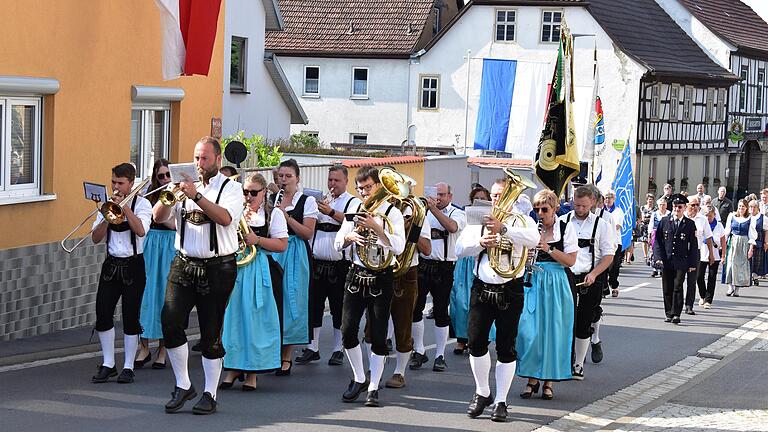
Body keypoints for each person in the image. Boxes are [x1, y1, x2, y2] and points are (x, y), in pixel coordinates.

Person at [154, 136, 243, 415]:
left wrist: (196, 196)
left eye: (204, 158)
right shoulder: (182, 186)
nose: (199, 164)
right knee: (169, 322)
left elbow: (225, 218)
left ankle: (210, 393)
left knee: (210, 333)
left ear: (218, 160)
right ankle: (183, 385)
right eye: (196, 158)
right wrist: (168, 195)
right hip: (183, 263)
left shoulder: (232, 188)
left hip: (218, 267)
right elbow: (158, 218)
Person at [456, 177, 540, 422]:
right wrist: (479, 242)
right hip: (482, 287)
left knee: (506, 346)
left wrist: (503, 229)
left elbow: (533, 240)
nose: (496, 199)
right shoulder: (479, 216)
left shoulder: (523, 220)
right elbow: (460, 249)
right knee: (476, 342)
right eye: (493, 195)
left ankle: (501, 400)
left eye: (501, 195)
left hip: (510, 288)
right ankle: (482, 391)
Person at [334, 165, 406, 407]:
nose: (364, 192)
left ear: (379, 186)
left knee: (377, 335)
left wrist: (377, 228)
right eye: (361, 188)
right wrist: (349, 237)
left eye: (368, 187)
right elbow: (337, 244)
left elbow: (399, 248)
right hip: (356, 274)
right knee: (347, 331)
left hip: (381, 276)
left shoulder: (392, 213)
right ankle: (359, 377)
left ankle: (374, 386)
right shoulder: (354, 209)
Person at [220, 173, 288, 390]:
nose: (249, 197)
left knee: (256, 321)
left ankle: (252, 372)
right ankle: (233, 367)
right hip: (236, 268)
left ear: (264, 193)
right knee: (234, 318)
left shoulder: (273, 214)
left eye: (253, 193)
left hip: (260, 269)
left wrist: (257, 240)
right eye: (245, 192)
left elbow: (282, 245)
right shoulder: (237, 211)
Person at [90, 163, 153, 384]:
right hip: (111, 265)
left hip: (134, 265)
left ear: (131, 183)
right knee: (103, 314)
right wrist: (106, 216)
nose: (116, 187)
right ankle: (108, 363)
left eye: (120, 183)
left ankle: (128, 365)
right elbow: (95, 238)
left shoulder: (143, 204)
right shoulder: (106, 205)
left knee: (130, 316)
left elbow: (141, 230)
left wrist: (125, 208)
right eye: (113, 182)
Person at [516, 190, 577, 401]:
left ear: (555, 209)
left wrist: (548, 248)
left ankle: (548, 381)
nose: (540, 213)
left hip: (556, 282)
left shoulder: (566, 228)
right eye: (537, 209)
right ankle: (531, 378)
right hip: (533, 280)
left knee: (553, 331)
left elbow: (570, 261)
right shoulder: (532, 228)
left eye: (544, 209)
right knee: (530, 331)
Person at [298, 165, 360, 366]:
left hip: (340, 263)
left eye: (337, 180)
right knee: (314, 306)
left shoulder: (353, 202)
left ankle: (338, 348)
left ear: (346, 182)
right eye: (330, 180)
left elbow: (353, 222)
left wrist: (331, 212)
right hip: (317, 262)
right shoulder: (321, 200)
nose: (332, 184)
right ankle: (312, 348)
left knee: (338, 308)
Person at [559, 185, 614, 380]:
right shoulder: (563, 221)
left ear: (592, 202)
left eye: (583, 206)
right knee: (566, 321)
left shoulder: (602, 225)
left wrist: (594, 274)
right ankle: (565, 359)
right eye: (576, 205)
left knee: (584, 321)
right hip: (566, 276)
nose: (579, 209)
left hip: (590, 277)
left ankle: (578, 364)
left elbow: (608, 256)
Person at [411, 182, 466, 372]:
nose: (439, 198)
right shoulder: (423, 212)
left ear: (450, 196)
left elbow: (452, 227)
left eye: (442, 195)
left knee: (441, 311)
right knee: (415, 309)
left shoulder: (457, 213)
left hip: (444, 266)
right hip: (423, 264)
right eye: (436, 194)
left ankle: (440, 355)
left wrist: (433, 209)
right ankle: (419, 350)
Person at [379, 194, 431, 388]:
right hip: (380, 269)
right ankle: (374, 369)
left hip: (406, 272)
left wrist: (411, 229)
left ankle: (399, 372)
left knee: (403, 325)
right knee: (373, 325)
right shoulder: (379, 211)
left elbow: (427, 249)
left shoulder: (416, 214)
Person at [271, 159, 318, 375]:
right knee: (273, 302)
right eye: (281, 176)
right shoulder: (271, 198)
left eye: (288, 176)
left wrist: (285, 215)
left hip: (296, 252)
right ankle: (271, 353)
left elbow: (307, 233)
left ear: (297, 178)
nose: (284, 180)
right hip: (275, 251)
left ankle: (286, 356)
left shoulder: (307, 201)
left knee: (293, 303)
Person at [136, 159, 174, 370]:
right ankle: (143, 347)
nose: (166, 179)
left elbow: (175, 223)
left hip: (169, 244)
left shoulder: (177, 194)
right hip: (151, 244)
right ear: (155, 177)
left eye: (168, 175)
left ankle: (162, 349)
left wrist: (160, 213)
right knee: (145, 295)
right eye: (161, 176)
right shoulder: (147, 194)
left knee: (164, 297)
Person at [451, 186, 492, 355]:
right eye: (477, 199)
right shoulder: (465, 214)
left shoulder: (494, 216)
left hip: (482, 258)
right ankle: (461, 339)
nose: (480, 202)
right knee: (460, 301)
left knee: (478, 304)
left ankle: (478, 339)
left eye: (483, 198)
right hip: (466, 260)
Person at [653, 194, 699, 324]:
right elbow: (658, 241)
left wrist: (692, 263)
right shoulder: (664, 221)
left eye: (679, 207)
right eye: (675, 206)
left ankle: (676, 314)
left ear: (684, 208)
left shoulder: (689, 224)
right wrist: (658, 257)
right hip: (667, 260)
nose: (677, 209)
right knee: (667, 287)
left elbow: (693, 245)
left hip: (681, 260)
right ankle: (668, 313)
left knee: (678, 286)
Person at [683, 196, 713, 315]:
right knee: (679, 280)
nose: (695, 207)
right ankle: (678, 303)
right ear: (687, 205)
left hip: (695, 253)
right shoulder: (682, 216)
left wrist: (711, 254)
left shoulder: (702, 219)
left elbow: (709, 237)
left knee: (692, 280)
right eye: (693, 205)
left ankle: (689, 305)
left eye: (697, 205)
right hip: (681, 252)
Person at [723, 199, 757, 297]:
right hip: (733, 242)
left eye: (743, 206)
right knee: (730, 263)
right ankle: (730, 287)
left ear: (746, 208)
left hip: (744, 243)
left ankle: (737, 288)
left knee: (740, 266)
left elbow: (752, 235)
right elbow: (727, 231)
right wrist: (723, 244)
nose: (741, 208)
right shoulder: (732, 216)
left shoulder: (750, 219)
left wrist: (751, 249)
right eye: (739, 206)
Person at [697, 206, 725, 309]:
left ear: (714, 215)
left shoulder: (719, 226)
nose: (708, 218)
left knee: (712, 277)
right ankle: (702, 295)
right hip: (702, 253)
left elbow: (723, 241)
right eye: (706, 216)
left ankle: (708, 300)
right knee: (699, 276)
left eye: (710, 216)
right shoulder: (701, 224)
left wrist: (723, 255)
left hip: (715, 254)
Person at [603, 190, 625, 297]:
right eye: (606, 197)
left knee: (614, 267)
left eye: (610, 198)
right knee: (602, 265)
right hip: (603, 242)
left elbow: (617, 226)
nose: (608, 200)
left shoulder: (618, 211)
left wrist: (603, 229)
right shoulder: (600, 211)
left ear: (614, 199)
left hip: (615, 242)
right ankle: (604, 287)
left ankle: (614, 285)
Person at [649, 198, 669, 277]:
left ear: (666, 205)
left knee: (664, 251)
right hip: (655, 233)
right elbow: (651, 224)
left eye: (663, 204)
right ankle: (654, 269)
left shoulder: (669, 213)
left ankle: (662, 269)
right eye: (660, 205)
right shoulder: (655, 214)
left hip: (665, 234)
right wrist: (649, 235)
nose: (662, 206)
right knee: (655, 250)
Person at [748, 200, 767, 286]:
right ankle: (748, 276)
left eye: (754, 207)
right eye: (750, 207)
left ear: (757, 208)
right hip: (748, 240)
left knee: (757, 260)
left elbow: (766, 231)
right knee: (748, 259)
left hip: (759, 240)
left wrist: (766, 242)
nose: (752, 209)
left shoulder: (763, 218)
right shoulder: (747, 217)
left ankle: (755, 277)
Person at [639, 193, 656, 266]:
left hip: (652, 227)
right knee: (644, 241)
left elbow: (654, 218)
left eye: (652, 200)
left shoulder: (655, 209)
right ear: (647, 200)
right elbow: (642, 217)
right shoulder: (643, 208)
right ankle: (645, 256)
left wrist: (648, 219)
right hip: (644, 226)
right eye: (649, 199)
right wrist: (647, 219)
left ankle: (650, 255)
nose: (650, 201)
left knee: (651, 242)